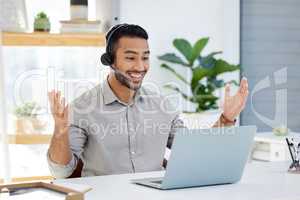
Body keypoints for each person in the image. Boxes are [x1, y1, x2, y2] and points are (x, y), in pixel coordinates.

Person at [47, 24, 249, 178]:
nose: (140, 66)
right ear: (110, 60)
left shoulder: (161, 105)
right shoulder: (83, 107)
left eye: (145, 57)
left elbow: (194, 150)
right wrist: (60, 131)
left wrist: (227, 117)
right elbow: (61, 172)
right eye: (130, 58)